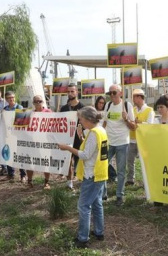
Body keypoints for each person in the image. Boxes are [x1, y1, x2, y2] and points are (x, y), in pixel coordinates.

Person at [58, 106, 108, 249]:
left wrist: (68, 148)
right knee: (97, 203)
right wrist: (81, 136)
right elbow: (92, 149)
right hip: (100, 173)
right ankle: (99, 232)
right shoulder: (100, 130)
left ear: (88, 119)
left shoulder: (93, 133)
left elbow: (85, 154)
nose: (80, 121)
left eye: (81, 119)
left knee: (84, 206)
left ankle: (83, 238)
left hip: (92, 175)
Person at [103, 84, 135, 206]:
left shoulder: (127, 105)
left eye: (114, 93)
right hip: (109, 142)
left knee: (121, 171)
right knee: (103, 167)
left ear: (120, 93)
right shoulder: (108, 105)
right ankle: (103, 194)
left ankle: (119, 196)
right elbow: (105, 123)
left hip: (122, 142)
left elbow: (133, 127)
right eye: (109, 93)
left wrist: (126, 119)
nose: (111, 95)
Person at [60, 83, 85, 191]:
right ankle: (69, 183)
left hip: (79, 139)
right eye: (68, 91)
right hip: (67, 138)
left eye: (72, 91)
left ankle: (83, 183)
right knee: (68, 162)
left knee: (81, 162)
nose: (70, 93)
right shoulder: (64, 108)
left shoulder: (83, 107)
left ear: (77, 92)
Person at [126, 89, 154, 186]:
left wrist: (139, 122)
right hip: (132, 139)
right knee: (130, 161)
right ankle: (130, 179)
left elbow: (150, 124)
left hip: (143, 140)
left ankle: (146, 181)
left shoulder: (149, 110)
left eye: (134, 97)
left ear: (139, 97)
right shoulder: (132, 110)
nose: (133, 99)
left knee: (145, 162)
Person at [26, 95, 51, 189]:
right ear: (33, 103)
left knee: (46, 162)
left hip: (45, 142)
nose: (38, 103)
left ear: (43, 102)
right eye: (36, 101)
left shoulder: (49, 112)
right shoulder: (30, 114)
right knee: (29, 162)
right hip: (32, 142)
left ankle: (46, 182)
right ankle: (29, 181)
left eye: (39, 101)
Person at [3, 91, 25, 181]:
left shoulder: (19, 107)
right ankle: (10, 173)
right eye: (9, 98)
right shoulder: (5, 109)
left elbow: (22, 120)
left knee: (19, 155)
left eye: (12, 97)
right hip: (8, 135)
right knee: (8, 153)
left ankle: (23, 175)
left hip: (18, 135)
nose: (11, 99)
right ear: (6, 99)